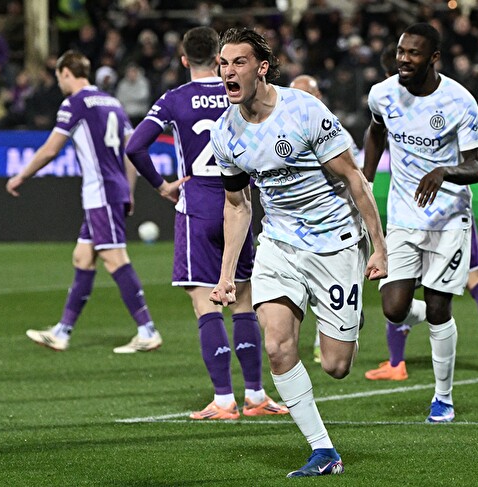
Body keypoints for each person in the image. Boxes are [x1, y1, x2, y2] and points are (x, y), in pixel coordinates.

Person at [209, 28, 387, 477]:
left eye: (238, 62)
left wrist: (379, 248)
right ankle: (323, 450)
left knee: (336, 366)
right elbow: (237, 205)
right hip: (279, 244)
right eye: (223, 63)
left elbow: (354, 179)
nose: (228, 71)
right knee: (277, 345)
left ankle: (346, 318)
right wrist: (227, 275)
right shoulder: (224, 132)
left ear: (262, 68)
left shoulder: (304, 111)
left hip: (334, 243)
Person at [124, 26, 288, 420]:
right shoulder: (240, 92)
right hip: (239, 206)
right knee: (243, 301)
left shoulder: (174, 99)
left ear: (184, 59)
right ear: (218, 58)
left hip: (196, 209)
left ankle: (224, 400)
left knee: (205, 303)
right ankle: (255, 395)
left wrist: (162, 186)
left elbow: (135, 146)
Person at [362, 23, 478, 423]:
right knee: (393, 308)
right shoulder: (383, 94)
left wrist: (444, 171)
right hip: (402, 216)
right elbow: (375, 131)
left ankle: (443, 398)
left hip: (449, 219)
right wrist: (366, 182)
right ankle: (434, 313)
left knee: (438, 306)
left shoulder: (459, 102)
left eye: (413, 53)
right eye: (401, 51)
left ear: (433, 58)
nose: (404, 59)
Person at [6, 50, 165, 354]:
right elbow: (132, 149)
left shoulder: (74, 103)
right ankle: (62, 332)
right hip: (112, 190)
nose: (59, 83)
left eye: (59, 76)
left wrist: (21, 176)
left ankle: (147, 330)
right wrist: (129, 190)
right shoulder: (112, 102)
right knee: (82, 257)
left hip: (101, 192)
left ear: (67, 72)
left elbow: (51, 150)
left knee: (114, 258)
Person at [364, 132, 478, 381]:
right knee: (475, 278)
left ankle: (397, 363)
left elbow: (376, 131)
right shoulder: (451, 110)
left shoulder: (404, 111)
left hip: (415, 210)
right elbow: (474, 133)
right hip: (450, 212)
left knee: (403, 285)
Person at [288, 73, 361, 365]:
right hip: (295, 231)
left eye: (304, 95)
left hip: (335, 229)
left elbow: (357, 180)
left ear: (318, 97)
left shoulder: (336, 134)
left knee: (337, 362)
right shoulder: (283, 131)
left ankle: (329, 336)